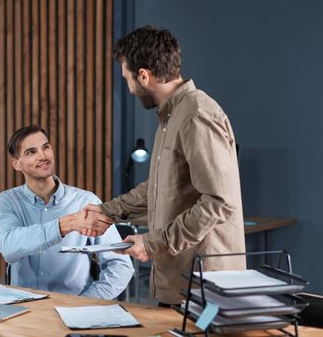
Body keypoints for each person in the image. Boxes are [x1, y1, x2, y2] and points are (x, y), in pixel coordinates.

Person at [84, 25, 246, 306]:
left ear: (144, 75)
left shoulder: (196, 115)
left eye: (128, 79)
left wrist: (152, 243)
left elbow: (219, 201)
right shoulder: (171, 118)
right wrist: (107, 211)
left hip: (203, 290)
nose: (131, 90)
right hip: (180, 284)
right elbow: (162, 187)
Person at [0, 125, 133, 300]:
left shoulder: (86, 202)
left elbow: (121, 265)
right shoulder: (6, 202)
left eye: (46, 147)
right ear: (16, 164)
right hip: (23, 308)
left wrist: (85, 302)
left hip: (73, 309)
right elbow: (9, 248)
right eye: (31, 152)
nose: (43, 156)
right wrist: (65, 224)